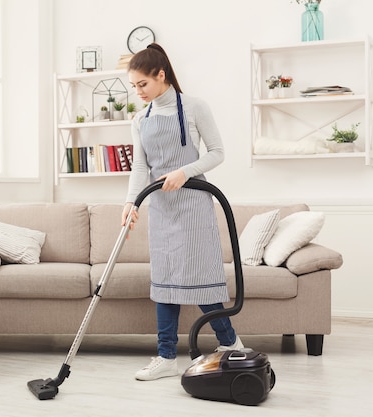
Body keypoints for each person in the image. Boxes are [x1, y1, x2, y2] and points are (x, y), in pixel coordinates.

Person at [121, 43, 243, 381]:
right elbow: (140, 168)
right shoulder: (139, 120)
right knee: (165, 282)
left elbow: (217, 152)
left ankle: (231, 344)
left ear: (161, 75)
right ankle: (166, 356)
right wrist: (131, 204)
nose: (138, 92)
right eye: (134, 86)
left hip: (193, 204)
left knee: (201, 279)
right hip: (161, 208)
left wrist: (184, 171)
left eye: (142, 84)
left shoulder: (193, 107)